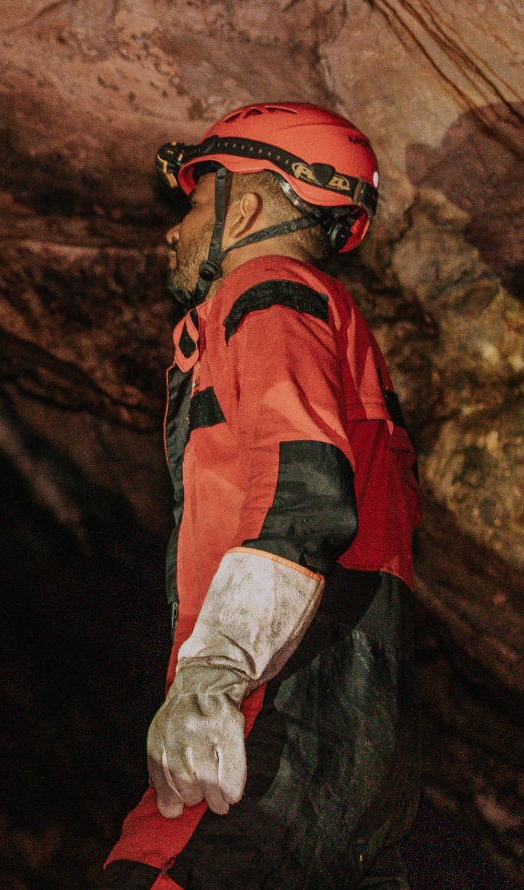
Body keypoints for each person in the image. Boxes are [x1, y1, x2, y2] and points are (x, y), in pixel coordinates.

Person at [99, 103, 422, 889]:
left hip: (274, 726)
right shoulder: (337, 333)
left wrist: (217, 672)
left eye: (195, 202)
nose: (171, 233)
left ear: (244, 208)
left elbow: (304, 493)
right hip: (352, 750)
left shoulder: (271, 290)